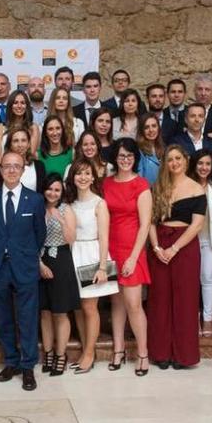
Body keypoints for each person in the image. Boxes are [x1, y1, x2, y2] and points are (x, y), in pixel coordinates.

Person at [0, 152, 46, 391]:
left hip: (25, 266)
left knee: (28, 318)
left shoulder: (35, 200)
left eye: (16, 166)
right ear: (0, 169)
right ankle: (11, 361)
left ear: (23, 170)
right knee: (4, 317)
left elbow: (39, 234)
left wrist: (25, 253)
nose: (11, 170)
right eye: (7, 166)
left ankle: (28, 366)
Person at [149, 145, 207, 370]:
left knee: (185, 300)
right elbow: (151, 221)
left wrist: (174, 248)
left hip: (184, 246)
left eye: (178, 158)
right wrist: (156, 247)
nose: (174, 163)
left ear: (186, 160)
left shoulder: (196, 189)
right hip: (159, 245)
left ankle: (184, 355)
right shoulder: (159, 187)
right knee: (159, 299)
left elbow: (197, 224)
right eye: (170, 159)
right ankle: (161, 353)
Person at [103, 138, 152, 376]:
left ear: (135, 158)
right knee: (117, 303)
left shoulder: (141, 185)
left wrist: (134, 257)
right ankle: (118, 350)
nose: (125, 160)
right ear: (115, 157)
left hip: (133, 249)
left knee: (134, 303)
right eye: (121, 156)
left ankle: (143, 353)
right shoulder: (106, 183)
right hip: (111, 248)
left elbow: (145, 225)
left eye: (129, 156)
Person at [66, 158, 118, 373]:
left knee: (89, 307)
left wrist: (103, 267)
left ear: (93, 177)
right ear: (72, 177)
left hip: (92, 255)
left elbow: (104, 237)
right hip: (72, 255)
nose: (83, 177)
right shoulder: (69, 203)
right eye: (79, 173)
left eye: (87, 173)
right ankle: (86, 350)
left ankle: (89, 352)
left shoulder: (99, 203)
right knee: (78, 307)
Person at [38, 174, 79, 377]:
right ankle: (47, 353)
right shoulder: (37, 208)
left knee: (60, 312)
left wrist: (61, 220)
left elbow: (72, 239)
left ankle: (61, 355)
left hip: (61, 260)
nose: (52, 193)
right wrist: (39, 264)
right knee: (44, 312)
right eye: (49, 189)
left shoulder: (66, 209)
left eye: (57, 190)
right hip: (39, 259)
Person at [189, 149, 212, 338]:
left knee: (208, 278)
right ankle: (192, 318)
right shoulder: (186, 185)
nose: (204, 167)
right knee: (190, 280)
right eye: (200, 163)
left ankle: (208, 318)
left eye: (208, 164)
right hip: (188, 239)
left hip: (209, 240)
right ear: (194, 165)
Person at [171, 103, 212, 177]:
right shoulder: (176, 142)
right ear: (186, 119)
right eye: (192, 116)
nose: (197, 120)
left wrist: (189, 159)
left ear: (204, 119)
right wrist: (210, 159)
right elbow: (175, 166)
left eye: (200, 116)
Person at [0, 90, 41, 164]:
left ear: (27, 106)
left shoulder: (33, 128)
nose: (19, 106)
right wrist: (1, 173)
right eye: (15, 103)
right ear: (10, 105)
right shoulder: (1, 127)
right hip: (5, 170)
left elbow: (29, 154)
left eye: (22, 103)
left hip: (26, 169)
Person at [5, 127, 46, 193]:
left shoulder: (39, 166)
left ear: (29, 144)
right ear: (10, 145)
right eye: (16, 141)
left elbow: (42, 193)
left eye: (23, 140)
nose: (20, 145)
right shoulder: (4, 167)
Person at [137, 113, 165, 186]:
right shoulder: (138, 151)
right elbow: (139, 180)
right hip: (148, 194)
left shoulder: (163, 148)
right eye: (146, 127)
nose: (151, 130)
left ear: (158, 128)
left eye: (154, 126)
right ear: (141, 131)